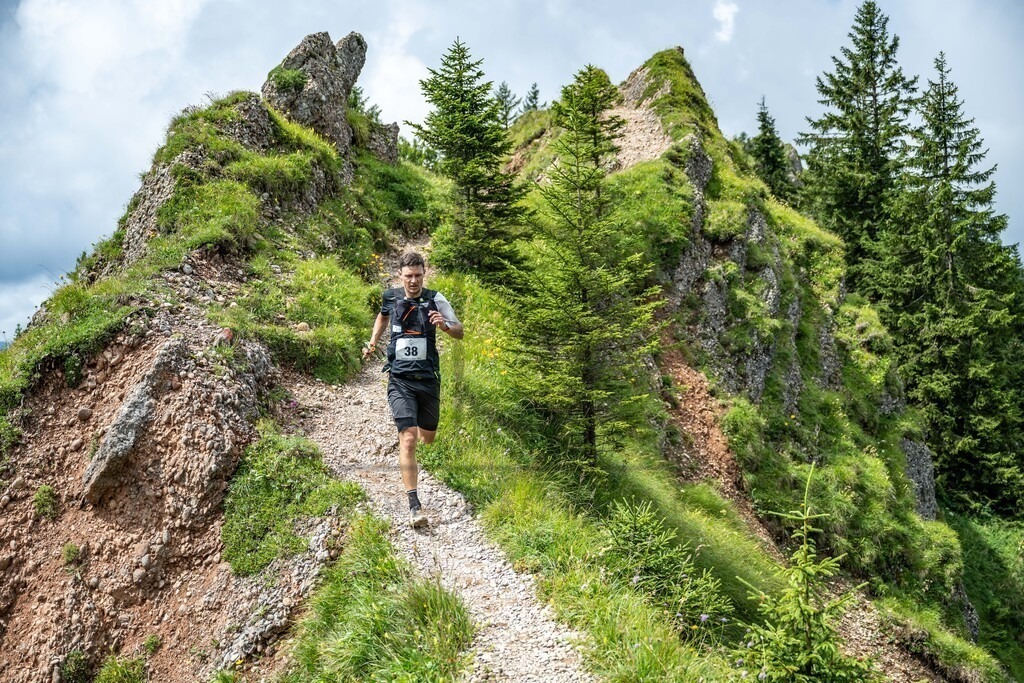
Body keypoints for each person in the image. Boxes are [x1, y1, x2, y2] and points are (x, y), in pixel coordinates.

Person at [363, 251, 464, 527]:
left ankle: (418, 427)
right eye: (409, 276)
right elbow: (382, 318)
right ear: (401, 276)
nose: (414, 281)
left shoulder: (435, 299)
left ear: (424, 274)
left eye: (418, 275)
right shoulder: (390, 297)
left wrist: (444, 325)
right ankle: (414, 504)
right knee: (407, 438)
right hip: (400, 380)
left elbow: (460, 330)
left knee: (427, 438)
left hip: (428, 380)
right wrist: (373, 342)